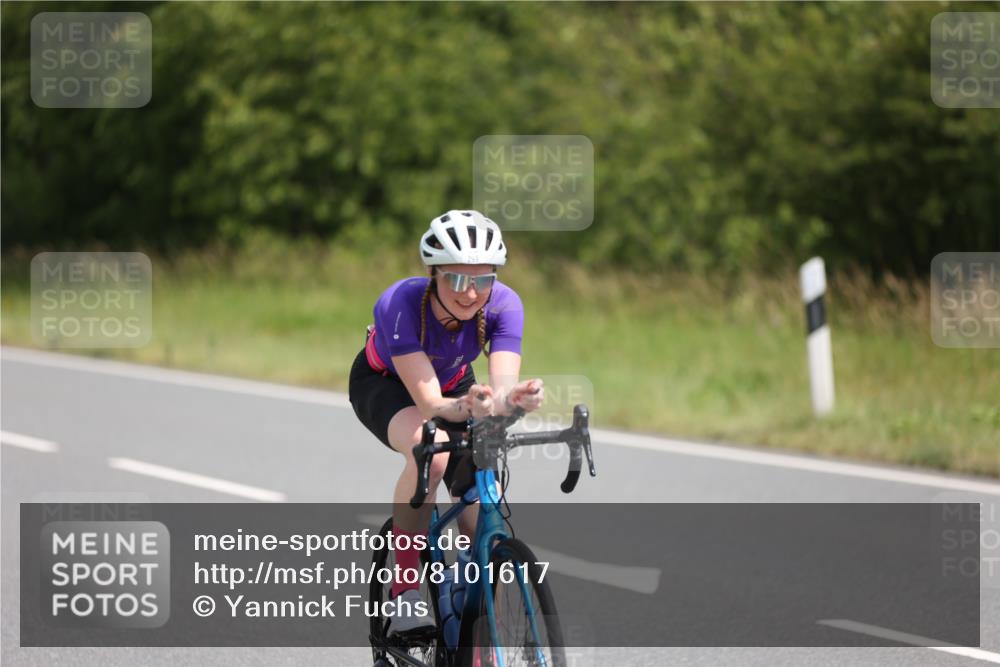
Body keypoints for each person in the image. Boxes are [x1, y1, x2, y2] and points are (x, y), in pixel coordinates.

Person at [349, 209, 545, 639]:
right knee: (430, 454)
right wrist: (470, 407)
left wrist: (515, 402)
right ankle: (404, 589)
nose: (471, 293)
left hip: (459, 386)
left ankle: (474, 597)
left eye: (483, 279)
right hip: (390, 384)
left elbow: (499, 392)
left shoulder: (506, 305)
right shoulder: (400, 303)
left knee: (482, 462)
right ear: (433, 273)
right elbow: (432, 404)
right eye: (457, 278)